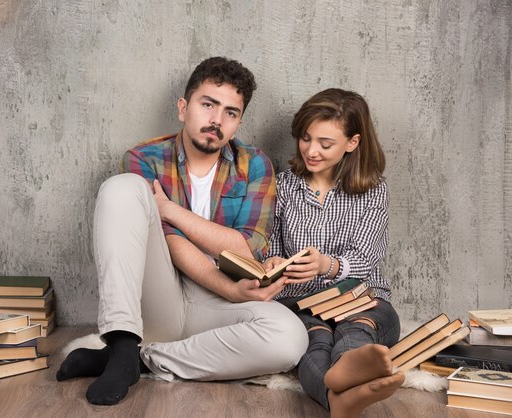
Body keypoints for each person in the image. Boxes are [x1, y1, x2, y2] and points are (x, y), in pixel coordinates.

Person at [56, 57, 308, 405]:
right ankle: (123, 340)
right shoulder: (144, 159)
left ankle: (138, 361)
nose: (217, 120)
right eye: (208, 105)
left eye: (230, 113)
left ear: (238, 123)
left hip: (217, 306)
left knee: (290, 338)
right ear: (183, 107)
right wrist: (227, 284)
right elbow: (168, 241)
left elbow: (246, 247)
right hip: (159, 298)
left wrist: (170, 209)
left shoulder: (255, 164)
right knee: (121, 188)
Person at [262, 88, 405, 418]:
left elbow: (365, 258)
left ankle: (345, 370)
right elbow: (270, 247)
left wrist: (326, 265)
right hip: (300, 304)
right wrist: (271, 262)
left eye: (325, 144)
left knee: (358, 329)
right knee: (316, 339)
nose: (311, 151)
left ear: (352, 143)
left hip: (361, 299)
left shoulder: (372, 191)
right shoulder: (283, 186)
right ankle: (337, 397)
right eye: (306, 138)